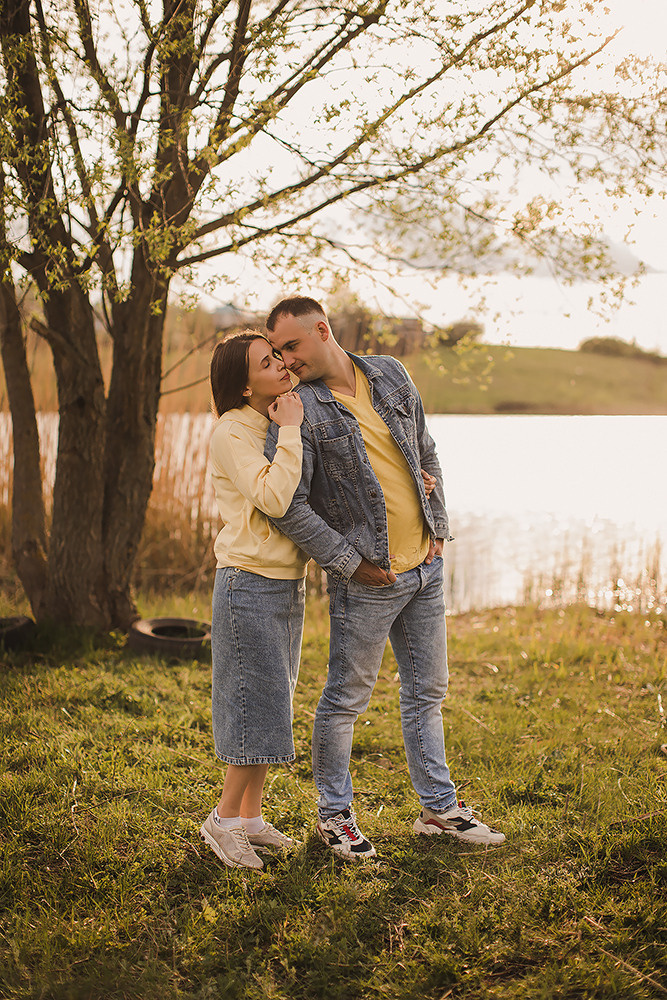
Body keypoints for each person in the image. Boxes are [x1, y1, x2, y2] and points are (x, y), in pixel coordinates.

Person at [265, 296, 505, 860]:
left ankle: (438, 809)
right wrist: (350, 564)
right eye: (277, 351)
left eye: (291, 346)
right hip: (368, 579)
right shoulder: (297, 410)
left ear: (322, 329)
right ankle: (335, 817)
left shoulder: (390, 373)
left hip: (425, 567)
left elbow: (425, 449)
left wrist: (437, 524)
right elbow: (288, 506)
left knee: (428, 691)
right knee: (345, 699)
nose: (286, 360)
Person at [199, 330, 307, 870]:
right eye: (267, 362)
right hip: (248, 583)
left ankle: (250, 819)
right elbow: (272, 496)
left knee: (273, 705)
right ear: (244, 386)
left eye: (278, 355)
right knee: (253, 708)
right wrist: (291, 431)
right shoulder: (232, 431)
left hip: (286, 581)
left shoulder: (275, 418)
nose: (282, 364)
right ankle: (221, 821)